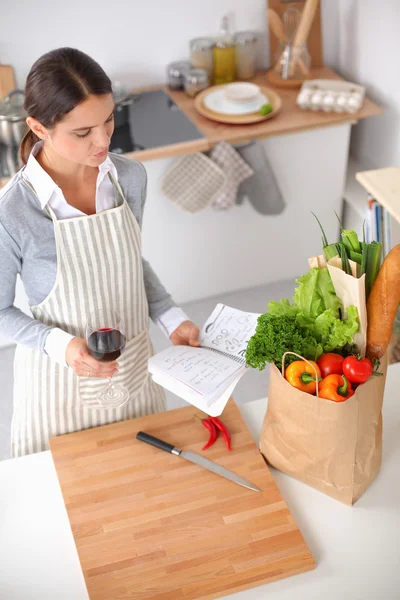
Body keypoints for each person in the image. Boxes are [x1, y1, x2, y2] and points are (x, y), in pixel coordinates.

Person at [0, 47, 200, 457]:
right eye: (82, 132)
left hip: (133, 374)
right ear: (39, 128)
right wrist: (64, 347)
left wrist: (170, 317)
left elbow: (129, 260)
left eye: (108, 119)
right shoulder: (14, 210)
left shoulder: (129, 177)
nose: (103, 140)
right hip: (59, 385)